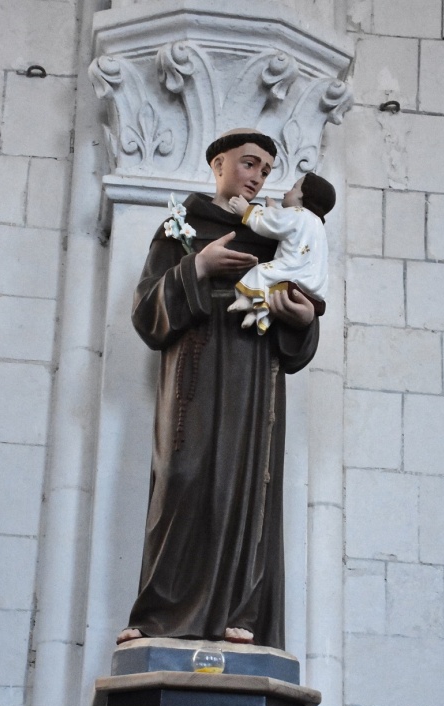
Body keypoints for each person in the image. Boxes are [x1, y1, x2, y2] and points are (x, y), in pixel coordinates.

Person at [117, 129, 320, 650]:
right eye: (249, 164)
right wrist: (199, 266)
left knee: (246, 488)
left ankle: (240, 618)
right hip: (193, 373)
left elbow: (304, 300)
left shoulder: (277, 234)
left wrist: (299, 318)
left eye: (266, 171)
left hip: (253, 379)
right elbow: (145, 312)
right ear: (219, 163)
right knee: (180, 478)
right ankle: (159, 616)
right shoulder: (180, 226)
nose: (256, 178)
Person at [227, 172, 335, 334]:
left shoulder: (300, 214)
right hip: (312, 283)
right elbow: (282, 223)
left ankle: (246, 299)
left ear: (303, 198)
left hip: (292, 272)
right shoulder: (317, 224)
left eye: (293, 188)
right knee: (273, 295)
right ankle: (256, 315)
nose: (286, 192)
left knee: (261, 272)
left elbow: (273, 222)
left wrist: (247, 211)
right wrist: (273, 210)